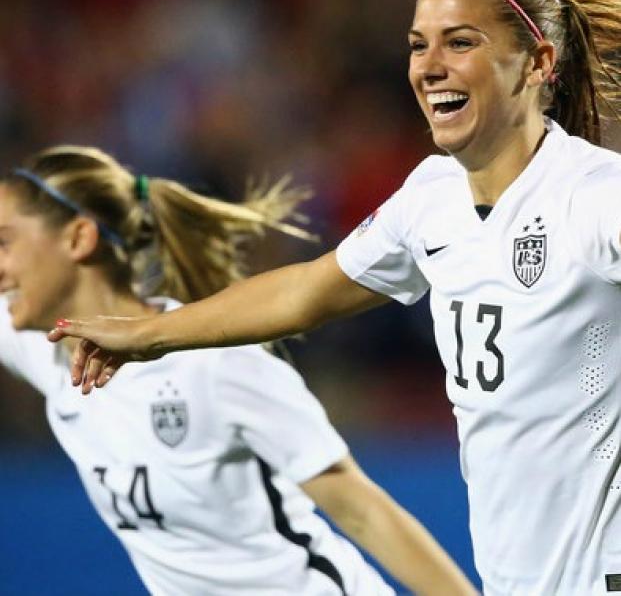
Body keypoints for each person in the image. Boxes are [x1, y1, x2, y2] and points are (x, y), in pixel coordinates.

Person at [52, 0, 621, 596]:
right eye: (417, 45)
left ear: (538, 64)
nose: (429, 66)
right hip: (518, 575)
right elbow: (306, 291)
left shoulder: (595, 197)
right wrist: (155, 334)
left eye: (460, 42)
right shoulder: (431, 197)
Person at [0, 144, 477, 596]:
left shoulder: (213, 364)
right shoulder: (47, 350)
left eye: (5, 242)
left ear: (78, 237)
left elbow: (361, 510)